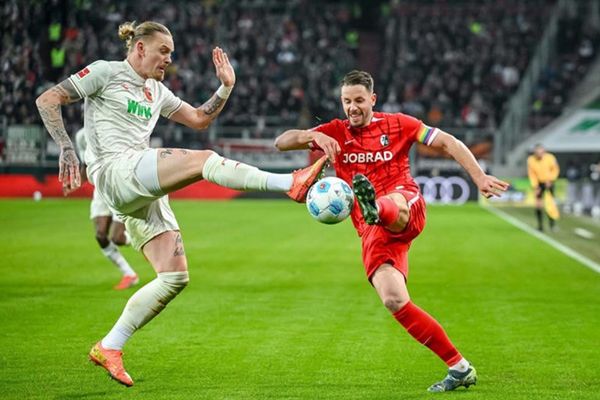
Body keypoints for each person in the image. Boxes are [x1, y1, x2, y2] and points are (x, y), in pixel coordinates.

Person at [36, 20, 327, 386]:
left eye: (171, 53)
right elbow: (48, 99)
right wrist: (66, 147)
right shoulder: (105, 72)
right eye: (163, 51)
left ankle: (110, 346)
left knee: (174, 277)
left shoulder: (156, 91)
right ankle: (289, 183)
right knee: (204, 160)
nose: (169, 59)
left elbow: (200, 119)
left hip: (137, 184)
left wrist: (225, 87)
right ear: (140, 48)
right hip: (114, 170)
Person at [274, 70, 509, 392]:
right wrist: (309, 136)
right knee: (394, 299)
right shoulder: (334, 131)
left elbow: (448, 142)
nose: (352, 107)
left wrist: (479, 177)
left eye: (359, 100)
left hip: (404, 204)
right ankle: (459, 367)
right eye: (346, 101)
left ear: (373, 99)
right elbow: (281, 142)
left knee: (393, 203)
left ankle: (375, 205)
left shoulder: (400, 124)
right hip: (372, 230)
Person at [75, 127, 139, 290]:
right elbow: (85, 163)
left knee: (117, 238)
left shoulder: (115, 126)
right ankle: (129, 274)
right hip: (101, 189)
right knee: (100, 235)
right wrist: (77, 180)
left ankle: (143, 241)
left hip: (121, 185)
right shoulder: (81, 136)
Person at [527, 144, 560, 231]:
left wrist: (551, 180)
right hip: (539, 183)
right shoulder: (531, 160)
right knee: (538, 204)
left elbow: (555, 170)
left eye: (541, 152)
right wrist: (535, 186)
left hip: (549, 182)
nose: (539, 154)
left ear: (544, 151)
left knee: (551, 204)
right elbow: (531, 174)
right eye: (537, 152)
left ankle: (552, 224)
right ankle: (540, 225)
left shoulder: (550, 158)